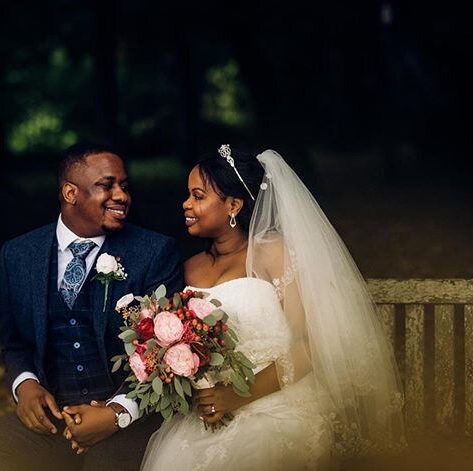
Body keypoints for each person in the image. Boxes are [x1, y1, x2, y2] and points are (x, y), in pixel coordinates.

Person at [141, 145, 406, 470]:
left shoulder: (273, 254)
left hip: (276, 405)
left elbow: (310, 344)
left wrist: (237, 396)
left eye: (198, 195)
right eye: (188, 195)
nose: (186, 204)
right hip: (207, 411)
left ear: (234, 205)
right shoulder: (189, 267)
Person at [0, 143, 184, 470]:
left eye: (124, 187)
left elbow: (167, 351)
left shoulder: (155, 252)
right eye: (106, 185)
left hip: (127, 419)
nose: (122, 196)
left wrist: (117, 413)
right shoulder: (18, 254)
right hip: (53, 420)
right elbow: (14, 342)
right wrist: (25, 385)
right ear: (71, 193)